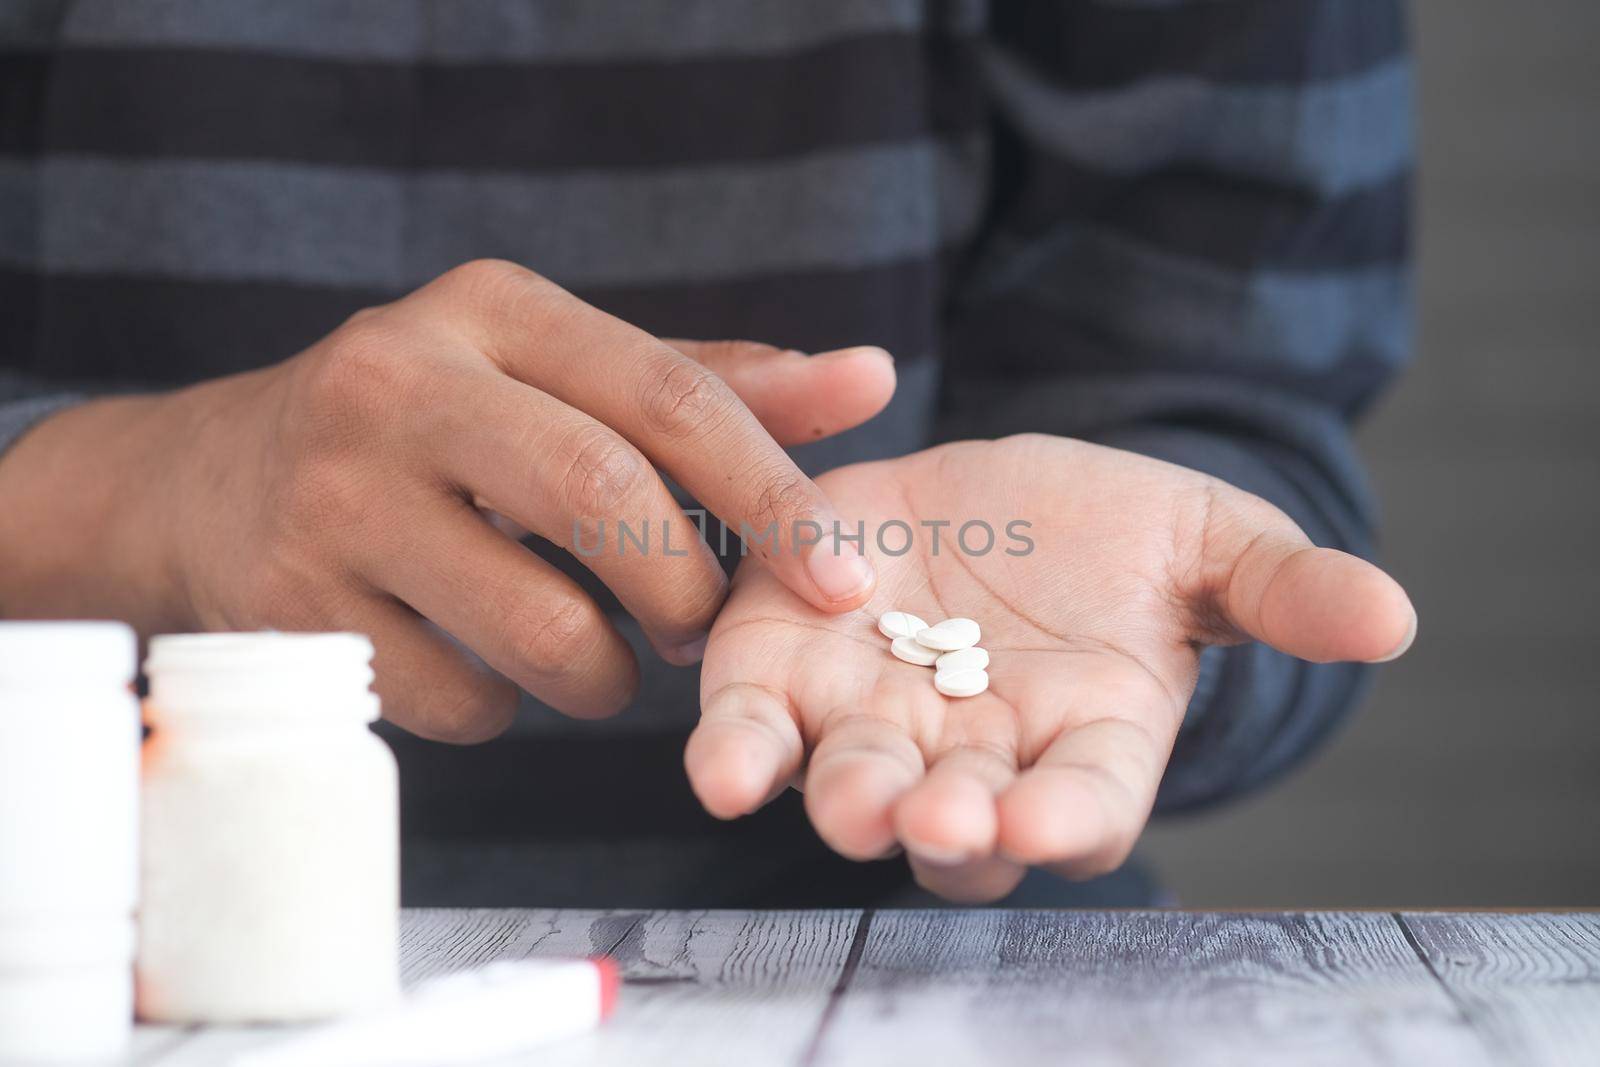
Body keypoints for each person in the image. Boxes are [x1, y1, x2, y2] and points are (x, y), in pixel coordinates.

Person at [0, 1, 1416, 906]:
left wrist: (1173, 617)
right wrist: (142, 494)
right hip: (75, 938)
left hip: (914, 979)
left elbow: (1234, 391)